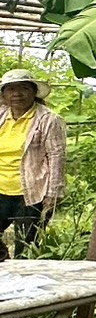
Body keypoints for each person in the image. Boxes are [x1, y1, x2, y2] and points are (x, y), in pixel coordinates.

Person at [0, 68, 66, 260]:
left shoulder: (47, 119)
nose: (17, 94)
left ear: (34, 92)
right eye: (11, 89)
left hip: (32, 191)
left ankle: (23, 286)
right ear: (4, 94)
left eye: (23, 88)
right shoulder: (3, 116)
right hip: (2, 188)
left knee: (27, 245)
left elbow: (56, 156)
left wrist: (54, 192)